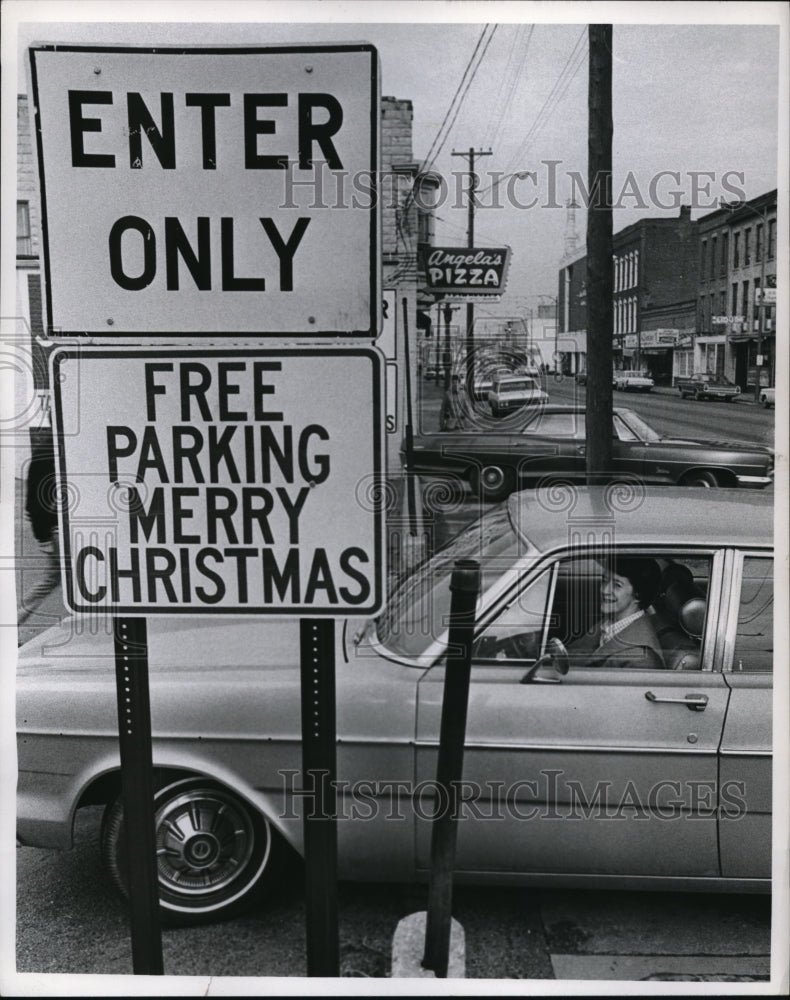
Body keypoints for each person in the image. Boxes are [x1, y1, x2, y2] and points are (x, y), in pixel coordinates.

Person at [569, 556, 666, 669]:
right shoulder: (609, 624)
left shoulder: (641, 659)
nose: (604, 590)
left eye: (617, 585)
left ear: (638, 595)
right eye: (604, 581)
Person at [18, 432, 60, 627]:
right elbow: (34, 502)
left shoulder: (54, 448)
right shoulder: (49, 451)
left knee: (52, 578)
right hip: (57, 527)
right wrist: (43, 538)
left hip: (60, 526)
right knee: (52, 578)